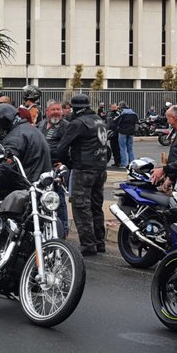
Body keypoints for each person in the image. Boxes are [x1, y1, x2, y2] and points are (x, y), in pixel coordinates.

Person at [56, 93, 109, 255]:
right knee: (96, 206)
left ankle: (88, 244)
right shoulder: (100, 121)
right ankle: (100, 242)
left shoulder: (78, 123)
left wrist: (68, 163)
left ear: (74, 108)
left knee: (81, 207)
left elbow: (62, 147)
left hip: (83, 168)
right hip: (100, 169)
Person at [0, 103, 52, 197]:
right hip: (41, 185)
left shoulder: (14, 137)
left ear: (3, 122)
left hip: (25, 188)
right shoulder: (32, 129)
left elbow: (7, 167)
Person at [38, 99, 70, 237]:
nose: (56, 112)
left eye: (58, 109)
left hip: (57, 169)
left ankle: (63, 229)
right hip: (42, 167)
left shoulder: (66, 126)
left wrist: (64, 163)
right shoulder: (41, 125)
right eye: (53, 109)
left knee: (59, 199)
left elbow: (70, 147)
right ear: (47, 112)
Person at [115, 100, 138, 168]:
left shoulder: (122, 113)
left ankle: (124, 164)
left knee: (123, 148)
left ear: (121, 107)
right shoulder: (134, 113)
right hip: (131, 132)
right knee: (130, 148)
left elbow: (116, 121)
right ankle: (132, 163)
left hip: (123, 132)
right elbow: (136, 123)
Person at [106, 103, 121, 167]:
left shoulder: (118, 113)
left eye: (115, 107)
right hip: (111, 132)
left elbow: (118, 122)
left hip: (117, 132)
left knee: (117, 148)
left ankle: (119, 161)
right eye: (113, 107)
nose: (114, 108)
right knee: (113, 148)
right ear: (110, 108)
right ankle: (116, 161)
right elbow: (108, 122)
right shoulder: (109, 114)